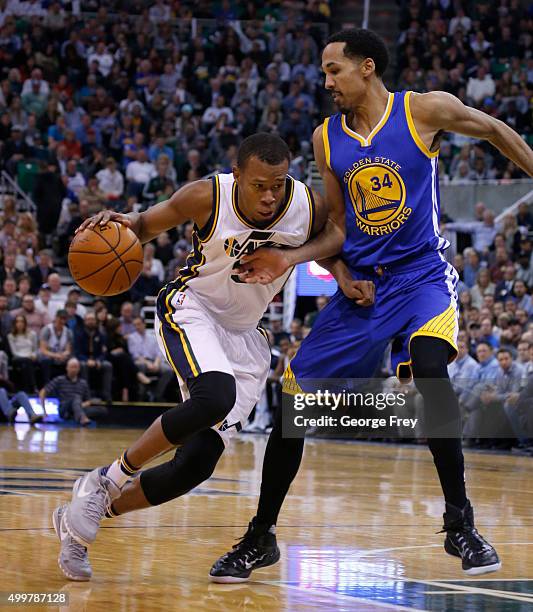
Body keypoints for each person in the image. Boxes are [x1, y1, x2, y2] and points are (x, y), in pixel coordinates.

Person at [211, 27, 533, 581]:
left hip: (422, 277)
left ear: (367, 67)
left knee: (431, 372)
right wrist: (307, 263)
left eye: (334, 69)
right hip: (365, 287)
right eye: (324, 71)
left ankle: (461, 524)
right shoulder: (325, 137)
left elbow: (495, 130)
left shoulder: (423, 111)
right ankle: (261, 536)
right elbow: (336, 226)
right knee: (293, 400)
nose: (326, 80)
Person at [52, 133, 345, 582]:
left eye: (279, 184)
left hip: (246, 337)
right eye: (260, 185)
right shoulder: (207, 195)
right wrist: (121, 222)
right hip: (194, 308)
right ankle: (108, 477)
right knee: (214, 396)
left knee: (195, 465)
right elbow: (144, 225)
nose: (270, 196)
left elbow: (336, 239)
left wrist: (317, 267)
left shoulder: (308, 204)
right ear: (238, 175)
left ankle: (78, 518)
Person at [40, 358, 93, 426]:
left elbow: (88, 401)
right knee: (75, 398)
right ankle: (82, 418)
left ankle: (76, 415)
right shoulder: (60, 380)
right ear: (67, 368)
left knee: (101, 410)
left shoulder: (83, 383)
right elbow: (43, 392)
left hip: (79, 406)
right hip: (64, 408)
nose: (73, 369)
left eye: (75, 367)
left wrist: (79, 405)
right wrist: (44, 411)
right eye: (72, 367)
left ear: (79, 369)